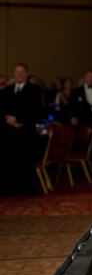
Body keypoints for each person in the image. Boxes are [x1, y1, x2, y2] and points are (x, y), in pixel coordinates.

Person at [0, 63, 43, 195]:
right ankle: (10, 188)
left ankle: (29, 189)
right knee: (9, 160)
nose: (19, 74)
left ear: (26, 73)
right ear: (14, 74)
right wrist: (8, 119)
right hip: (9, 131)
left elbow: (35, 109)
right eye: (17, 72)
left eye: (22, 72)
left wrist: (20, 120)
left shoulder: (34, 90)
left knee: (27, 159)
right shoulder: (6, 90)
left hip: (26, 131)